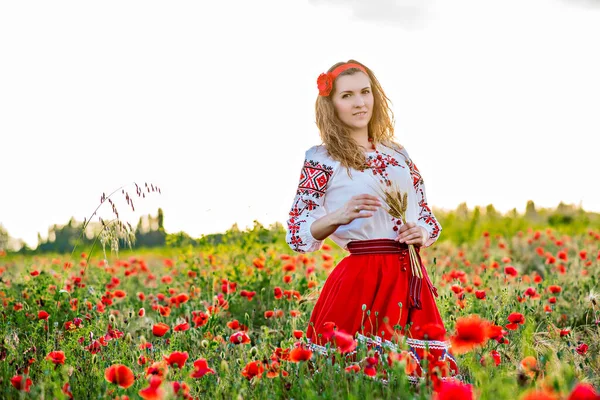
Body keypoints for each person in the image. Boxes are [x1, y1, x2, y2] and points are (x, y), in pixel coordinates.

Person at [285, 60, 459, 384]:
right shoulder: (321, 158)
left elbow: (426, 215)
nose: (360, 102)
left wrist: (419, 231)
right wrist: (338, 216)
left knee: (420, 383)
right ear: (331, 104)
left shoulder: (398, 154)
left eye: (365, 92)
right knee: (355, 381)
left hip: (410, 278)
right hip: (361, 279)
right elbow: (298, 232)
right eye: (347, 95)